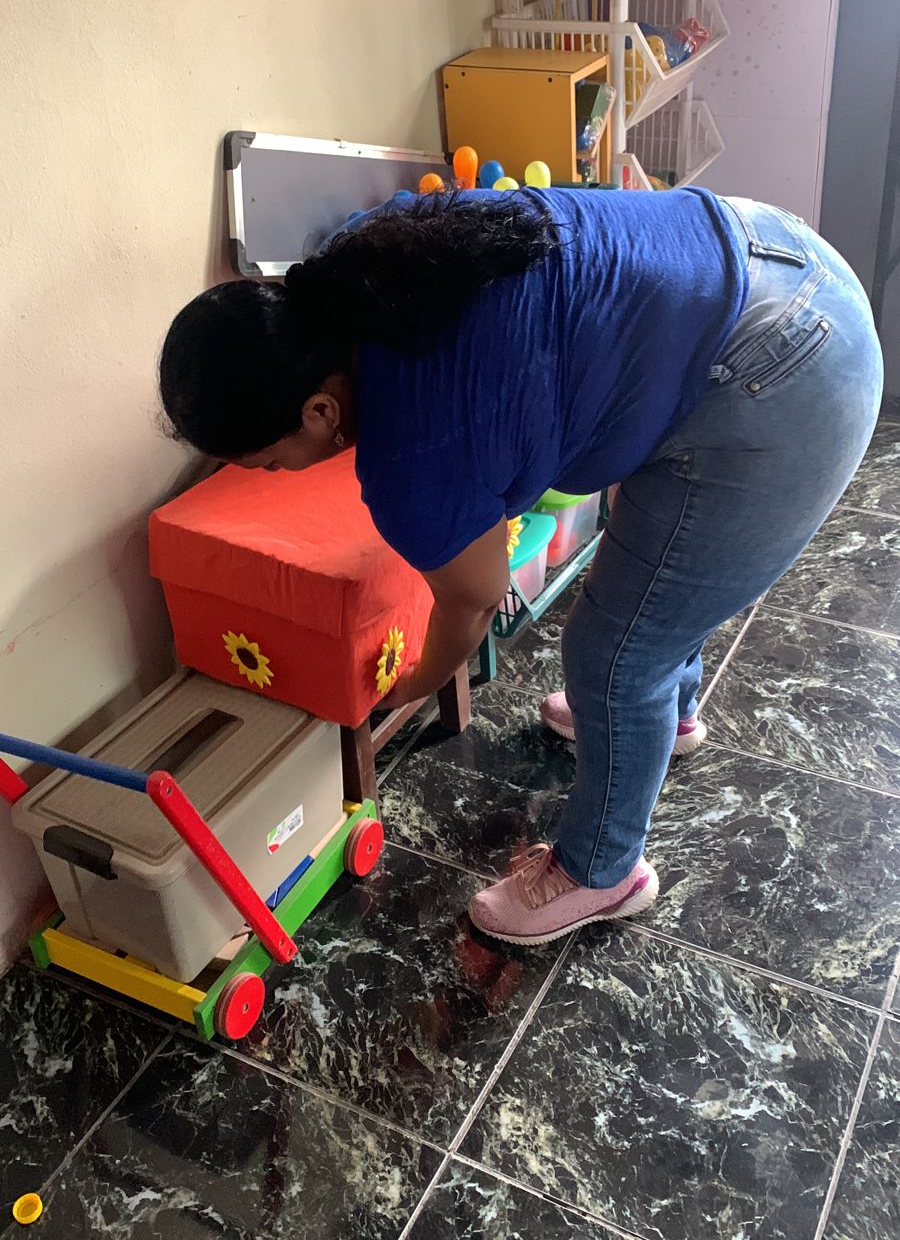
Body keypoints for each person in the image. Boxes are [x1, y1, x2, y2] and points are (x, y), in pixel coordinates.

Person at [158, 187, 882, 947]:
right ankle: (664, 718)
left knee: (613, 654)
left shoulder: (410, 459)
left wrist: (411, 684)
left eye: (269, 463)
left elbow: (473, 601)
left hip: (789, 370)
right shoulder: (369, 255)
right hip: (764, 253)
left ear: (319, 412)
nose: (273, 476)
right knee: (664, 579)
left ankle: (603, 873)